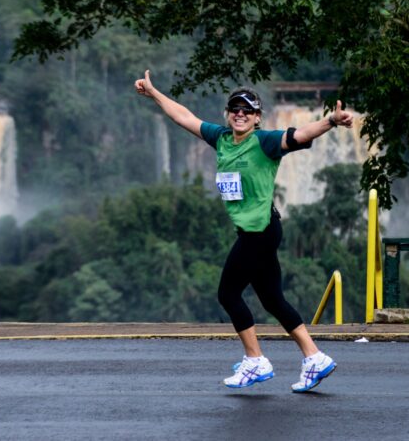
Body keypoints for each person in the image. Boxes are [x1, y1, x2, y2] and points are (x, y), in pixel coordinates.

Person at [134, 69, 354, 391]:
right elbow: (184, 117)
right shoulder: (221, 138)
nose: (240, 114)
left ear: (257, 118)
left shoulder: (263, 142)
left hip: (260, 232)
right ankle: (314, 356)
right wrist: (154, 94)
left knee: (228, 293)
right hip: (257, 232)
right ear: (228, 114)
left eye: (247, 110)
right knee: (272, 299)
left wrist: (330, 121)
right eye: (235, 109)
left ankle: (255, 360)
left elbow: (299, 135)